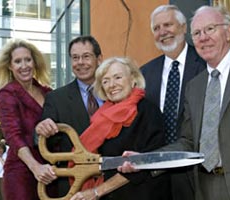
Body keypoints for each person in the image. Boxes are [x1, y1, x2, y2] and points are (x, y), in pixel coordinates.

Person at [120, 5, 230, 200]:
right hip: (203, 187)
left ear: (228, 32)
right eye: (197, 33)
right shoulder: (195, 87)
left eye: (210, 29)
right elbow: (187, 142)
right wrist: (144, 160)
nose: (203, 37)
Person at [68, 56, 165, 200]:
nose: (111, 85)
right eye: (105, 81)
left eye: (117, 77)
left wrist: (97, 192)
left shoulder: (148, 111)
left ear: (133, 79)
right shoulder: (102, 116)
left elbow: (144, 162)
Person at [140, 4, 206, 200]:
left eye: (168, 24)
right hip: (156, 173)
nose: (162, 32)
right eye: (156, 28)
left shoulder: (205, 64)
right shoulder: (145, 73)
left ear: (183, 27)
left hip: (196, 171)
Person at [35, 35, 104, 197]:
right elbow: (44, 142)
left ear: (99, 59)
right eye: (75, 57)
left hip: (114, 184)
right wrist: (41, 130)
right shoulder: (56, 98)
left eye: (86, 56)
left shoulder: (115, 92)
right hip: (74, 185)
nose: (80, 62)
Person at [0, 38, 57, 200]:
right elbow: (13, 137)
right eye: (18, 61)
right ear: (10, 66)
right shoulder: (7, 94)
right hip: (21, 174)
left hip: (51, 172)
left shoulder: (48, 93)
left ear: (34, 62)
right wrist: (35, 167)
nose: (24, 66)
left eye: (28, 60)